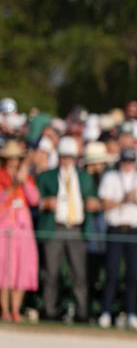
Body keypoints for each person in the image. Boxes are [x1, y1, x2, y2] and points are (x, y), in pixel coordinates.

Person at [37, 137, 97, 323]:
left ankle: (82, 312)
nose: (66, 161)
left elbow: (94, 200)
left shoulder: (85, 177)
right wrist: (45, 203)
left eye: (70, 157)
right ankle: (50, 310)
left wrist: (94, 204)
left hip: (76, 229)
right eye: (64, 157)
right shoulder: (47, 176)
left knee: (79, 274)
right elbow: (35, 199)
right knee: (51, 273)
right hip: (54, 227)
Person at [97, 148, 137, 329]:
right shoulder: (111, 177)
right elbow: (105, 203)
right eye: (125, 161)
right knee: (112, 272)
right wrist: (124, 199)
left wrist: (136, 200)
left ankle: (131, 313)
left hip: (134, 230)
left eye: (131, 161)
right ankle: (106, 312)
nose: (128, 164)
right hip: (116, 229)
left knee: (132, 274)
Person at [0, 140, 39, 321]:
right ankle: (5, 310)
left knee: (21, 270)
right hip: (4, 229)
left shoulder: (27, 178)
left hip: (23, 231)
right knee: (4, 270)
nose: (13, 162)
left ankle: (16, 309)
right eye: (10, 158)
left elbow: (35, 199)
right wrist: (14, 185)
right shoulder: (1, 177)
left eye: (16, 158)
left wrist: (24, 182)